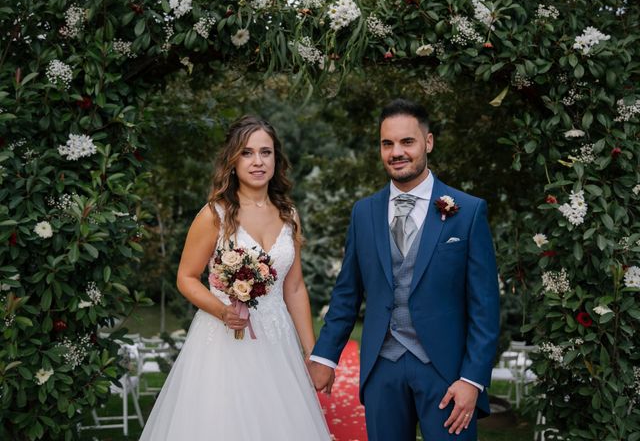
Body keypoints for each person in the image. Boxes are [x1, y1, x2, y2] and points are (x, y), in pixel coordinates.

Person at [308, 99, 500, 440]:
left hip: (446, 373)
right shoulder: (364, 213)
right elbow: (346, 293)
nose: (396, 152)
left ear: (428, 143)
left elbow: (485, 307)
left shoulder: (467, 212)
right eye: (387, 143)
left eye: (407, 142)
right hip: (383, 367)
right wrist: (325, 356)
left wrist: (472, 380)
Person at [140, 115, 331, 440]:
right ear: (233, 160)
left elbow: (295, 288)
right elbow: (186, 277)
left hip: (277, 341)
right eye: (247, 152)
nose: (258, 161)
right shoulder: (215, 214)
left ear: (276, 159)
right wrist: (222, 310)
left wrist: (312, 352)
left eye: (266, 152)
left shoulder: (289, 215)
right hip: (223, 343)